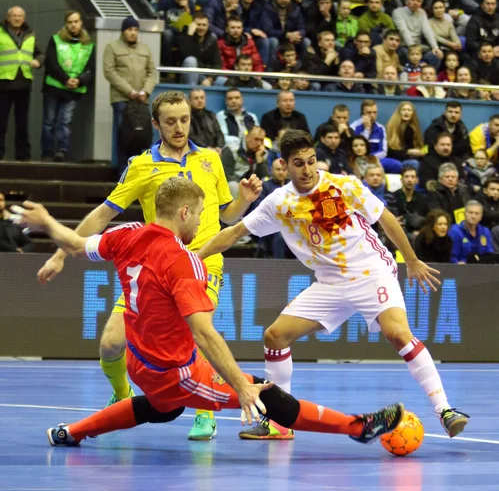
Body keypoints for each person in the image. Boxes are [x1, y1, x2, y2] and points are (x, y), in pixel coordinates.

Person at [14, 183, 405, 449]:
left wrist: (47, 223)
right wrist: (242, 385)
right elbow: (203, 335)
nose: (201, 221)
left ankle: (73, 432)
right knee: (272, 399)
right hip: (177, 371)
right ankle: (358, 428)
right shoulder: (183, 264)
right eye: (199, 213)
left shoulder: (129, 234)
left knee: (162, 408)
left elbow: (78, 244)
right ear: (184, 211)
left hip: (139, 361)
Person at [196, 129, 469, 440]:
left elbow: (386, 218)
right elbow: (233, 232)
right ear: (285, 165)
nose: (308, 169)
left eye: (312, 161)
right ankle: (279, 422)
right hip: (330, 283)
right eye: (299, 163)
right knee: (275, 336)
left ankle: (445, 409)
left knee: (398, 333)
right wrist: (195, 256)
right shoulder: (280, 202)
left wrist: (412, 260)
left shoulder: (342, 185)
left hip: (371, 272)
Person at [36, 90, 262, 442]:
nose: (179, 127)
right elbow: (104, 213)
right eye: (170, 121)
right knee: (111, 343)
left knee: (196, 336)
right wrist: (61, 253)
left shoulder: (210, 161)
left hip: (201, 264)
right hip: (153, 269)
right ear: (156, 124)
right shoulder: (142, 165)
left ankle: (205, 414)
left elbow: (223, 216)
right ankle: (122, 394)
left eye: (184, 119)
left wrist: (245, 202)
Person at [102, 17, 156, 173]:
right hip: (122, 100)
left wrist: (145, 91)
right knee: (124, 138)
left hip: (141, 101)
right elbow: (109, 72)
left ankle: (138, 172)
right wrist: (130, 91)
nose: (133, 33)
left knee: (141, 136)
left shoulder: (145, 49)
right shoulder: (112, 47)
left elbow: (152, 72)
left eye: (136, 30)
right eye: (130, 30)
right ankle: (123, 173)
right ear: (123, 31)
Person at [40, 11, 95, 162]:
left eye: (76, 21)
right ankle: (47, 152)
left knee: (65, 122)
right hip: (54, 88)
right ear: (66, 23)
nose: (73, 25)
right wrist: (66, 79)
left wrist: (79, 80)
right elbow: (51, 63)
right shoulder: (56, 40)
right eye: (70, 22)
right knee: (49, 122)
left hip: (73, 90)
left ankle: (62, 151)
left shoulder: (88, 44)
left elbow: (90, 68)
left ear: (81, 23)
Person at [0, 6, 44, 161]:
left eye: (19, 16)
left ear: (24, 18)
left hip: (23, 84)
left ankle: (23, 155)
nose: (17, 18)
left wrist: (38, 61)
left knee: (22, 123)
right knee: (1, 122)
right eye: (14, 16)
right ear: (8, 17)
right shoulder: (1, 32)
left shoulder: (30, 35)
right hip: (4, 83)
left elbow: (39, 53)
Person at [392, 0, 443, 69]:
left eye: (418, 1)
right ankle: (414, 75)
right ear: (407, 1)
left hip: (419, 46)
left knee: (436, 55)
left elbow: (427, 30)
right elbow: (404, 32)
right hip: (405, 46)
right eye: (412, 0)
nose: (415, 3)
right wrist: (414, 51)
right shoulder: (398, 12)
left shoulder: (422, 13)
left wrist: (435, 47)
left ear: (421, 4)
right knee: (408, 54)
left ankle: (428, 77)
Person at [351, 99, 401, 174]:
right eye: (369, 113)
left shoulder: (381, 128)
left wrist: (372, 158)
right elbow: (359, 146)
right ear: (362, 114)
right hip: (357, 160)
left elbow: (383, 151)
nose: (372, 115)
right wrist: (367, 129)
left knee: (397, 165)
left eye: (375, 112)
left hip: (376, 159)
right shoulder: (354, 127)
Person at [176, 12, 222, 86]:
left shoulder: (212, 39)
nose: (201, 28)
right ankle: (192, 90)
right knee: (190, 60)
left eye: (204, 25)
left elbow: (217, 63)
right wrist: (189, 35)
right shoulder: (184, 35)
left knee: (224, 81)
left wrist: (210, 79)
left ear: (208, 26)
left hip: (206, 75)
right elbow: (184, 54)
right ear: (192, 25)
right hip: (187, 75)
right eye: (198, 24)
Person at [221, 126, 270, 196]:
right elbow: (227, 174)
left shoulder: (262, 152)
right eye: (256, 139)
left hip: (252, 184)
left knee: (266, 183)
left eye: (261, 140)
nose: (259, 144)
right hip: (236, 183)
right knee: (233, 185)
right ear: (247, 137)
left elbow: (265, 176)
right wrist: (244, 186)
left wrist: (260, 161)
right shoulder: (231, 149)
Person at [392, 165, 427, 236]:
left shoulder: (422, 199)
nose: (409, 180)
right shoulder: (393, 197)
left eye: (412, 177)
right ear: (401, 179)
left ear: (417, 180)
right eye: (406, 176)